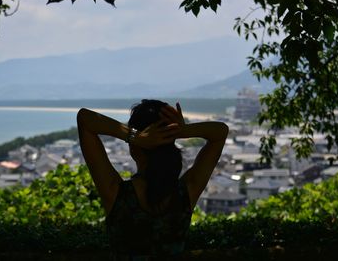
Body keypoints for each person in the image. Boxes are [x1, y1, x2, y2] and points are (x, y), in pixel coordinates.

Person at [77, 99, 228, 260]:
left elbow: (85, 119)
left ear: (133, 149)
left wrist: (134, 136)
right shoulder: (186, 193)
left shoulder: (116, 193)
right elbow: (220, 132)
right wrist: (182, 130)